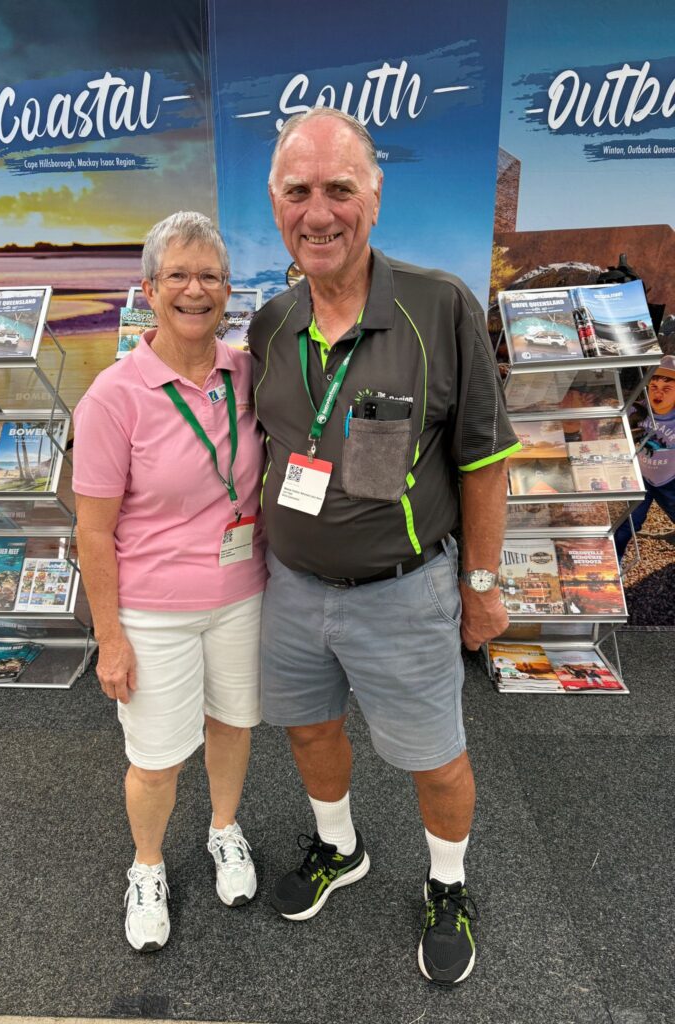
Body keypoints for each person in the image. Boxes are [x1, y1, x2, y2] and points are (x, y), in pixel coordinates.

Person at [248, 108, 520, 986]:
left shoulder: (440, 307)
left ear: (374, 196)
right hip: (291, 588)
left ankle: (448, 884)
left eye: (340, 189)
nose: (318, 211)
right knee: (309, 730)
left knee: (435, 756)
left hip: (404, 593)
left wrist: (481, 585)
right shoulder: (269, 321)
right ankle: (341, 849)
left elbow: (483, 462)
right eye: (299, 191)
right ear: (275, 203)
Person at [72, 212, 267, 952]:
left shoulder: (247, 374)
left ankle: (224, 829)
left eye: (210, 276)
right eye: (178, 276)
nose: (195, 290)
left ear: (228, 291)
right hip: (152, 610)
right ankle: (146, 866)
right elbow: (93, 531)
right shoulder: (113, 398)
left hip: (241, 593)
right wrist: (110, 637)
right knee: (155, 758)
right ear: (149, 289)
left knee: (233, 724)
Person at [615, 354, 675, 557]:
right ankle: (615, 563)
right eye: (654, 387)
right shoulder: (637, 409)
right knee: (625, 525)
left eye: (667, 390)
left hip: (671, 480)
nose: (658, 394)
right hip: (640, 478)